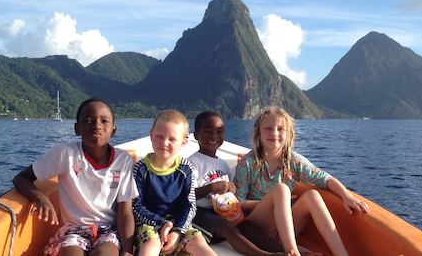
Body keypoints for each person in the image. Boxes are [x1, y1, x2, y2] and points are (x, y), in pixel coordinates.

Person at [234, 106, 370, 256]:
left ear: (289, 134)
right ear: (258, 133)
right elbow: (238, 203)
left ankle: (342, 254)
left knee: (313, 196)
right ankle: (293, 253)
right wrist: (276, 203)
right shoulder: (247, 163)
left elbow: (325, 179)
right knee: (282, 190)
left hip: (281, 233)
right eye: (268, 128)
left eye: (280, 129)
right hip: (257, 229)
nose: (274, 133)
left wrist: (346, 196)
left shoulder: (295, 161)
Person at [13, 98, 137, 256]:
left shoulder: (122, 160)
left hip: (108, 232)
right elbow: (21, 178)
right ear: (77, 128)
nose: (97, 126)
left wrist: (127, 251)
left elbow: (125, 211)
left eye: (104, 121)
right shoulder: (65, 154)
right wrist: (40, 198)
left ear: (113, 129)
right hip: (73, 231)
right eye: (88, 121)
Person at [188, 111, 280, 256]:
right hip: (198, 215)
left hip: (222, 211)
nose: (214, 136)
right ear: (195, 135)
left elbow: (230, 193)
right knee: (225, 225)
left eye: (219, 132)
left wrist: (231, 189)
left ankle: (287, 251)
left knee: (247, 225)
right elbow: (186, 195)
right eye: (208, 131)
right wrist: (212, 187)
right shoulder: (192, 163)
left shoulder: (223, 164)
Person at [132, 109, 217, 256]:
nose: (164, 143)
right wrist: (162, 224)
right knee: (151, 244)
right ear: (151, 136)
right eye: (159, 136)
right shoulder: (140, 169)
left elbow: (189, 205)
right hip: (148, 224)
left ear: (183, 142)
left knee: (199, 242)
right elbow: (135, 206)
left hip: (179, 223)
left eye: (172, 139)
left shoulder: (186, 169)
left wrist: (177, 231)